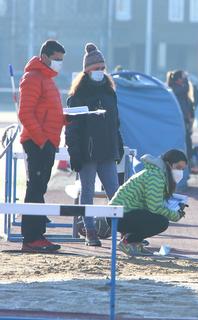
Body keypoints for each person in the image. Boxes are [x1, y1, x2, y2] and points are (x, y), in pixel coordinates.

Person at [65, 43, 124, 247]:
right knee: (87, 192)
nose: (99, 72)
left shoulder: (110, 93)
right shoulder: (77, 96)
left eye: (102, 68)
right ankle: (89, 230)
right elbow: (72, 128)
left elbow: (115, 123)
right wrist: (74, 153)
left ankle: (122, 231)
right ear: (87, 70)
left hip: (107, 151)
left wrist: (119, 144)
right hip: (87, 153)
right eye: (95, 69)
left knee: (116, 192)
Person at [17, 40, 66, 252]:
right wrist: (42, 140)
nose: (59, 64)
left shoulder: (47, 79)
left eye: (61, 60)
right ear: (44, 57)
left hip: (47, 142)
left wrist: (67, 119)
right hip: (38, 143)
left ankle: (36, 235)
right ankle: (31, 237)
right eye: (56, 59)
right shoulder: (33, 78)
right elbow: (24, 113)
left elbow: (49, 113)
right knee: (35, 188)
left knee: (39, 188)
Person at [109, 149, 188, 256]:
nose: (180, 172)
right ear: (168, 164)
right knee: (161, 222)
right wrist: (175, 215)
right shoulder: (155, 177)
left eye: (182, 169)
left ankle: (136, 243)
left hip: (121, 213)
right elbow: (155, 207)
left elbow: (153, 204)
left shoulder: (158, 175)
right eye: (178, 168)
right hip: (117, 215)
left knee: (155, 219)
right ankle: (127, 242)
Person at [166, 70, 196, 172]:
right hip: (179, 122)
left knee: (188, 142)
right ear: (178, 80)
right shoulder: (174, 89)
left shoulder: (181, 90)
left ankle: (188, 163)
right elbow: (186, 89)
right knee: (184, 142)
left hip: (185, 121)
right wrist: (187, 79)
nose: (184, 80)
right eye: (182, 78)